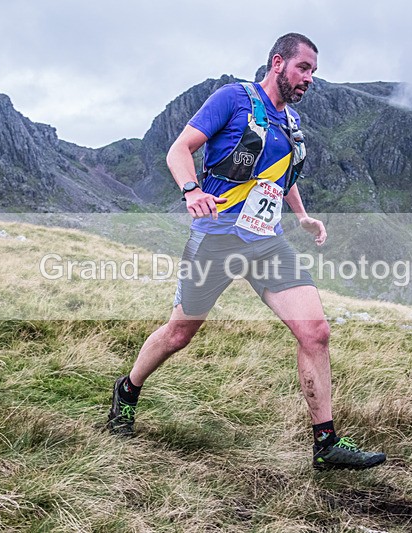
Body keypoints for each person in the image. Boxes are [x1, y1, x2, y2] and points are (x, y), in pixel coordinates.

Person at [107, 33, 386, 470]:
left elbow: (280, 176)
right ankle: (128, 389)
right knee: (179, 333)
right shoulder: (233, 98)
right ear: (278, 63)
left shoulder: (290, 123)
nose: (310, 78)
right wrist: (190, 190)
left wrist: (302, 216)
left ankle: (325, 445)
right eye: (304, 68)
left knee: (315, 332)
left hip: (266, 241)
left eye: (313, 71)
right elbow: (179, 149)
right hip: (216, 237)